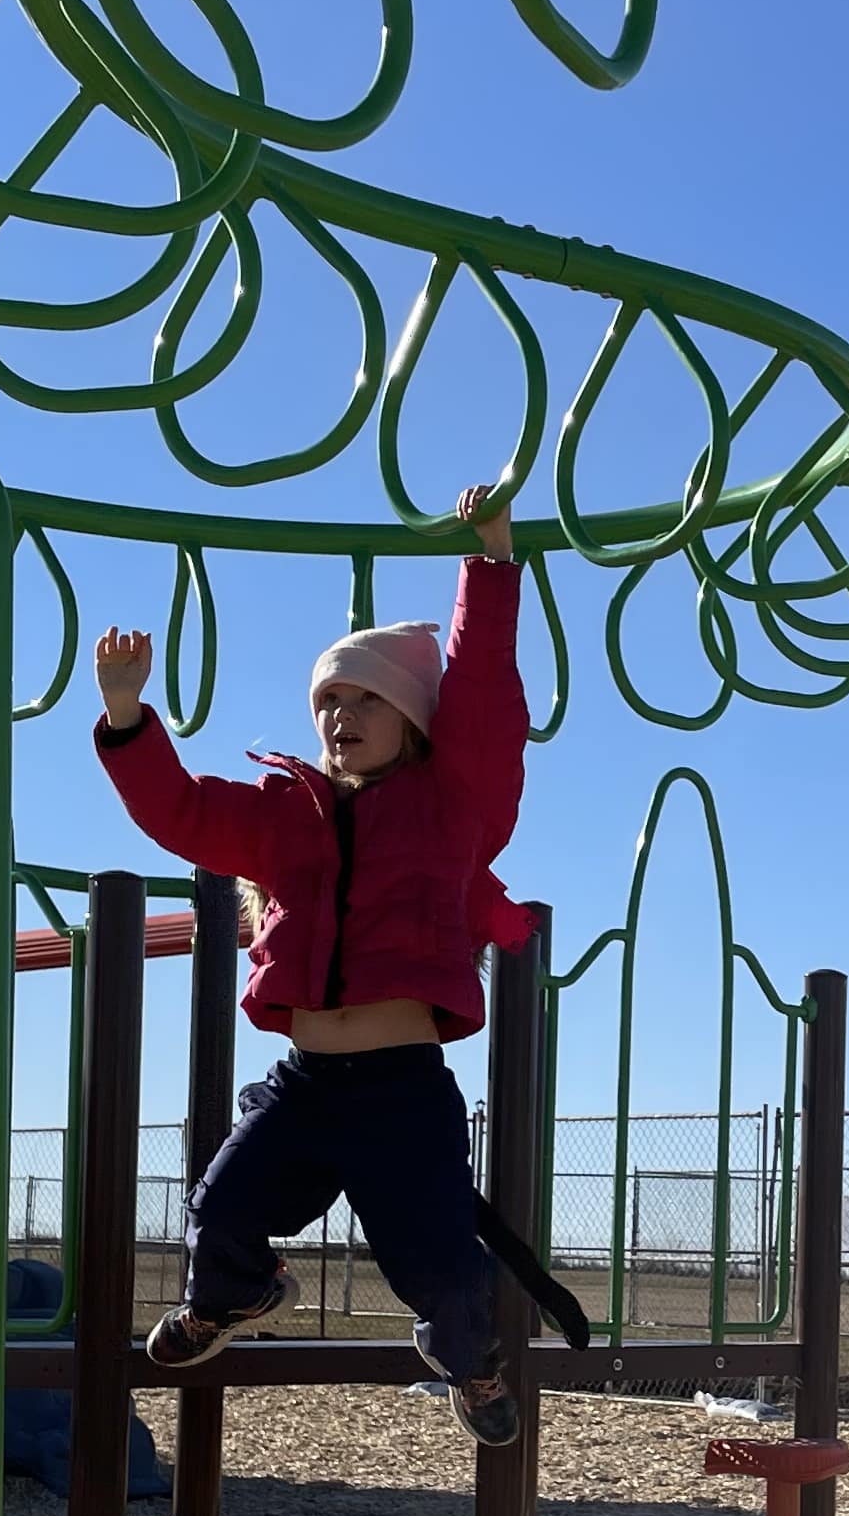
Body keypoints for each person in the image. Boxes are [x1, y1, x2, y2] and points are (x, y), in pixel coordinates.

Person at [89, 483, 531, 1442]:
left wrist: (490, 561)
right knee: (221, 1209)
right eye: (328, 701)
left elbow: (486, 695)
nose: (340, 716)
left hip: (403, 1092)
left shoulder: (453, 804)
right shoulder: (290, 814)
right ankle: (238, 1297)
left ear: (414, 717)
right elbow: (187, 813)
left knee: (445, 1270)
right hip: (307, 1083)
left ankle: (471, 1365)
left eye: (364, 697)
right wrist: (128, 722)